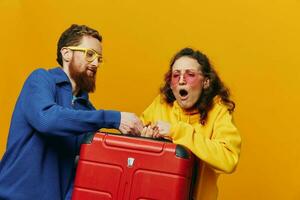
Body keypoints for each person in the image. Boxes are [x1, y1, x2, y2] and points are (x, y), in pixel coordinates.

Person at [0, 24, 143, 200]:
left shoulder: (88, 112)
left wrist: (144, 135)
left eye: (99, 58)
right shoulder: (41, 80)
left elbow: (82, 167)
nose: (96, 63)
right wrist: (115, 118)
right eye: (90, 54)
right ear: (66, 53)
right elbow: (48, 120)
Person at [140, 47, 241, 200]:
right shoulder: (160, 105)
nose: (181, 80)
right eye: (176, 75)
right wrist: (145, 139)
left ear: (206, 82)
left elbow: (228, 159)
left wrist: (177, 132)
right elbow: (134, 150)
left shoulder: (219, 112)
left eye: (190, 75)